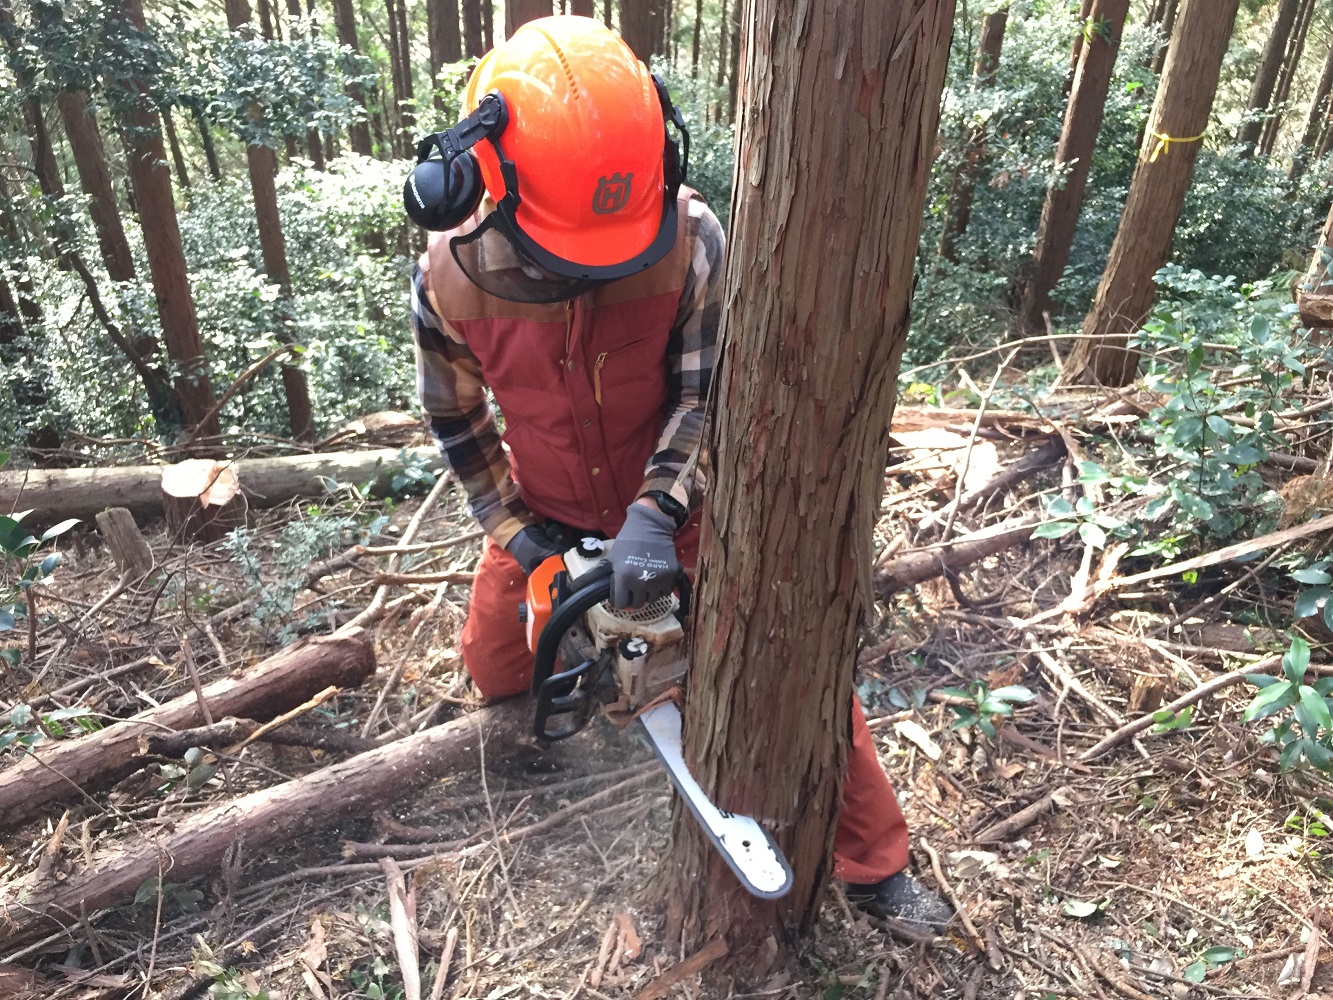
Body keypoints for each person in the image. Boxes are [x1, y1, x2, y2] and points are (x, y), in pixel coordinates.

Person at [404, 14, 950, 929]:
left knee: (802, 679)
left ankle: (874, 864)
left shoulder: (686, 235)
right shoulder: (450, 275)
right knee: (499, 664)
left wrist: (656, 514)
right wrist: (521, 538)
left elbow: (704, 395)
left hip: (677, 510)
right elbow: (457, 423)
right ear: (483, 182)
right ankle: (531, 711)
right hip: (539, 509)